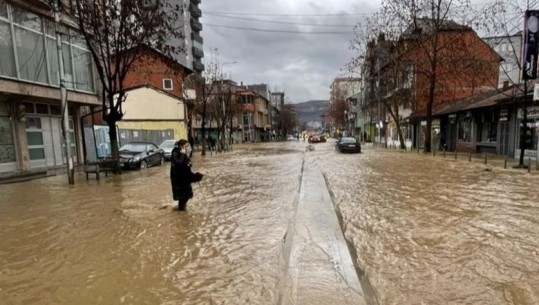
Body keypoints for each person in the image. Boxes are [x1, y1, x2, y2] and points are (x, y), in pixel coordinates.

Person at [170, 139, 203, 211]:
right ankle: (181, 215)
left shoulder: (185, 154)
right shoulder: (175, 153)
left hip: (184, 180)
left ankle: (181, 212)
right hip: (179, 181)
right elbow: (178, 164)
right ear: (181, 146)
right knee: (183, 198)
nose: (188, 147)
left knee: (186, 197)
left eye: (188, 146)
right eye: (186, 146)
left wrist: (194, 177)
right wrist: (182, 154)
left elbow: (186, 169)